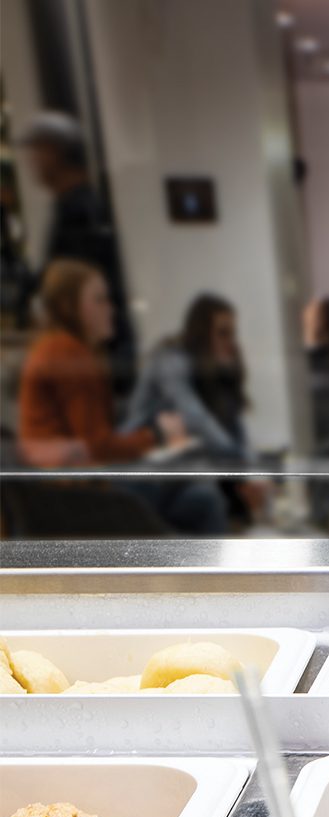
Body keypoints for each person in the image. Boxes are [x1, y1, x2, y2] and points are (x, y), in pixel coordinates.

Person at [17, 259, 225, 534]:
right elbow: (97, 445)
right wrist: (156, 437)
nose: (111, 309)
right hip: (76, 495)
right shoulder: (68, 354)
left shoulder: (57, 349)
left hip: (64, 491)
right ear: (69, 307)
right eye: (100, 300)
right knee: (195, 470)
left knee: (202, 500)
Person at [18, 111, 134, 386]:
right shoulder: (72, 206)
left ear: (54, 152)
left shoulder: (79, 210)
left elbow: (73, 282)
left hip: (95, 356)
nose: (33, 162)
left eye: (37, 151)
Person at [125, 294, 251, 463]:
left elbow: (233, 426)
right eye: (223, 333)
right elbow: (195, 418)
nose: (230, 341)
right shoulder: (171, 360)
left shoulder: (211, 369)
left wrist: (250, 467)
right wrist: (240, 461)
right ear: (202, 333)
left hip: (180, 458)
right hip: (141, 457)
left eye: (232, 333)